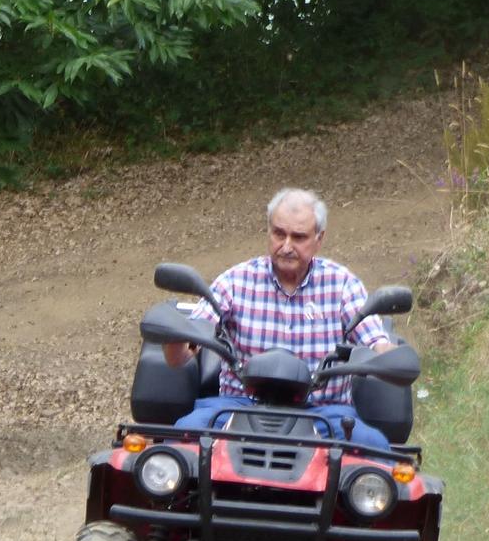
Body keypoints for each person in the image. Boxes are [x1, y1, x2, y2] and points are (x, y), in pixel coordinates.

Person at [165, 187, 399, 449]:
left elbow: (376, 341)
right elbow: (187, 346)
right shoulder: (235, 281)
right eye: (279, 234)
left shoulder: (343, 284)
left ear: (319, 239)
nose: (286, 246)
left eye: (298, 237)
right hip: (238, 407)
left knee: (376, 447)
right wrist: (173, 335)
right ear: (268, 232)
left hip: (323, 412)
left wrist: (391, 358)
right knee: (181, 438)